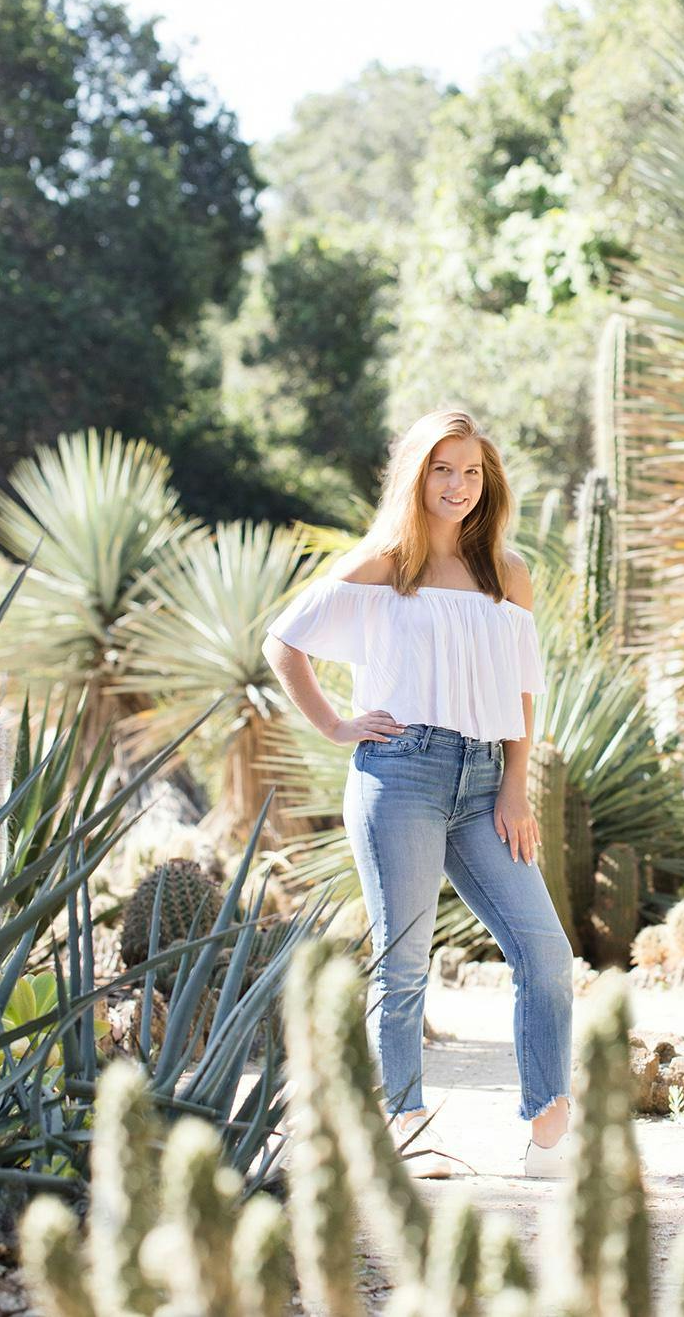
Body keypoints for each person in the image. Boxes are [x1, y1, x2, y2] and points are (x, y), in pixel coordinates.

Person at [263, 408, 576, 1178]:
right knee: (402, 962)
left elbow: (522, 690)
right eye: (442, 469)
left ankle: (548, 1132)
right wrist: (336, 725)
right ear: (417, 475)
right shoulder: (384, 563)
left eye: (471, 472)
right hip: (400, 773)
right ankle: (402, 1124)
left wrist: (515, 787)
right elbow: (283, 642)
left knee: (545, 953)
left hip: (484, 782)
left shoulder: (507, 574)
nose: (458, 486)